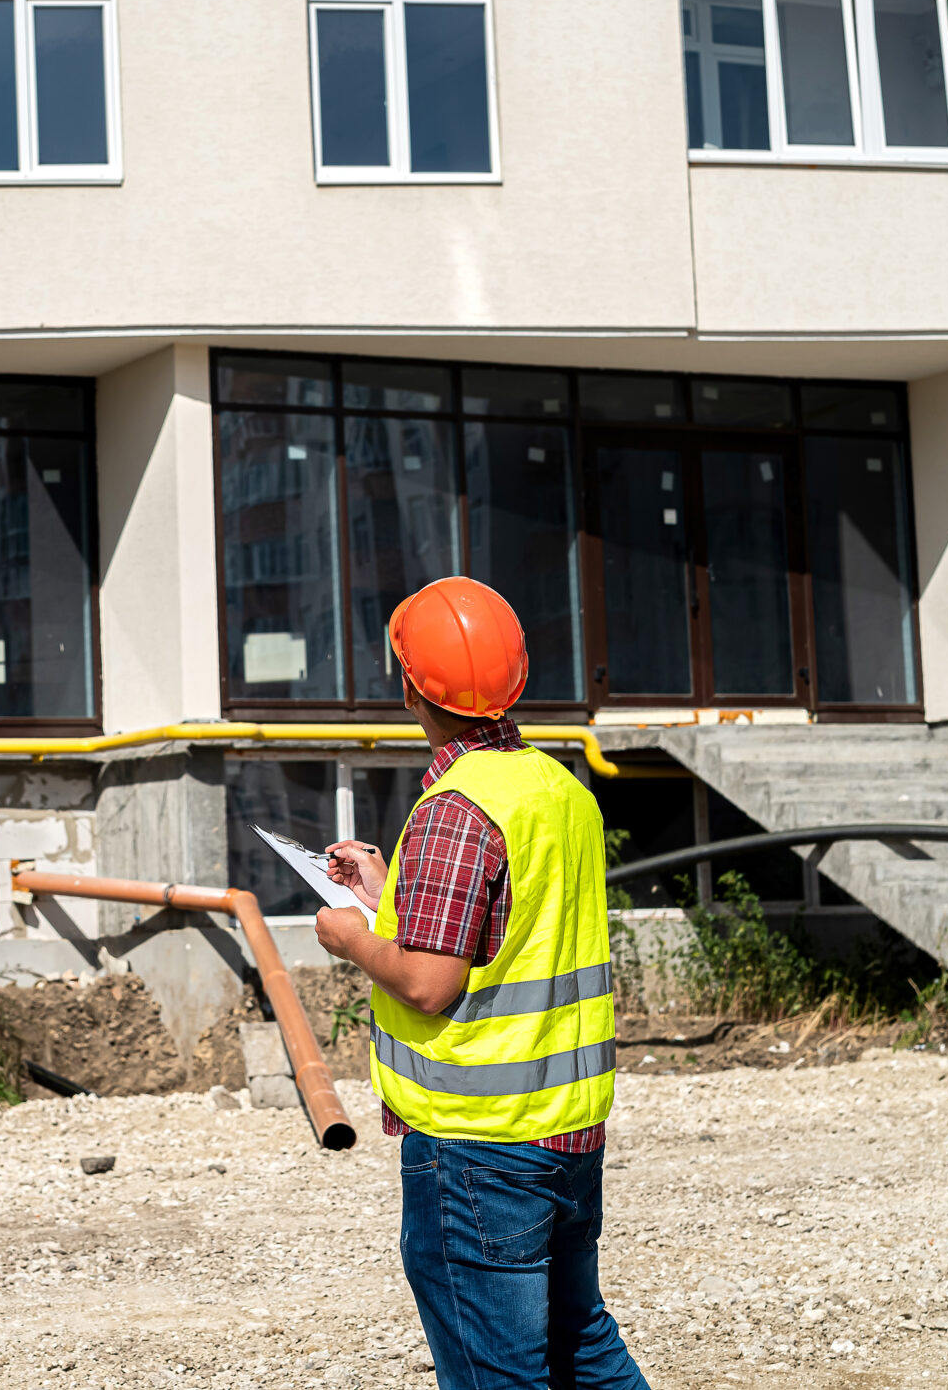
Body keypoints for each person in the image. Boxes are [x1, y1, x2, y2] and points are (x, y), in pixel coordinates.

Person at [314, 576, 652, 1390]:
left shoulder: (453, 809)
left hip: (478, 1146)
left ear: (411, 687)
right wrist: (392, 886)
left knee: (498, 1372)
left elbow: (429, 983)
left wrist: (353, 935)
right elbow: (510, 926)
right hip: (565, 1129)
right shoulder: (561, 790)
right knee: (582, 1343)